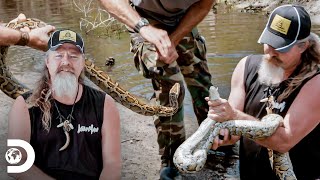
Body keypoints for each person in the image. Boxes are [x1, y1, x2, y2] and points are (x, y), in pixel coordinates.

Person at [98, 0, 220, 178]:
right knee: (172, 84)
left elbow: (203, 4)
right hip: (144, 19)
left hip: (183, 17)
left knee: (201, 82)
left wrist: (174, 39)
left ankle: (215, 141)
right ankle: (172, 159)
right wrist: (143, 27)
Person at [207, 4, 320, 180]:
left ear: (303, 46)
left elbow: (284, 141)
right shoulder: (246, 66)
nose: (270, 53)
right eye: (269, 42)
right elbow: (234, 131)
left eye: (281, 48)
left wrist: (234, 115)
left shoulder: (315, 83)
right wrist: (221, 132)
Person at [8, 29, 121, 180]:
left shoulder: (105, 104)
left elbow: (112, 164)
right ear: (47, 61)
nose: (66, 62)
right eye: (59, 55)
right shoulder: (24, 105)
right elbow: (16, 163)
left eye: (74, 56)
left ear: (83, 63)